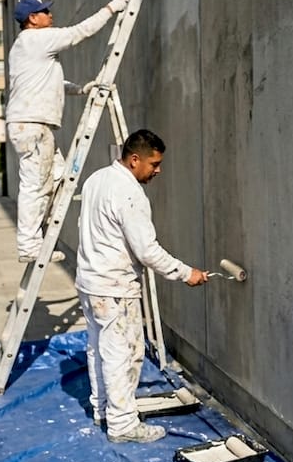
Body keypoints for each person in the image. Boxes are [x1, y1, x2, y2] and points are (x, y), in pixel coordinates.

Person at [75, 129, 208, 443]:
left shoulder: (97, 179)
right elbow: (147, 251)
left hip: (90, 283)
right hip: (114, 286)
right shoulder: (130, 193)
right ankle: (122, 425)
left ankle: (103, 410)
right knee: (125, 354)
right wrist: (186, 272)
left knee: (99, 349)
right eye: (154, 164)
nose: (158, 170)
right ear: (135, 159)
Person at [7, 0, 129, 262]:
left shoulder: (24, 47)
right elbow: (79, 32)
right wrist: (110, 8)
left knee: (58, 174)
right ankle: (29, 246)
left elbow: (51, 83)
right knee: (34, 185)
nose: (51, 15)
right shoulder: (36, 39)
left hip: (33, 125)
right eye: (45, 12)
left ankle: (44, 230)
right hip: (32, 125)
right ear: (32, 19)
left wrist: (80, 89)